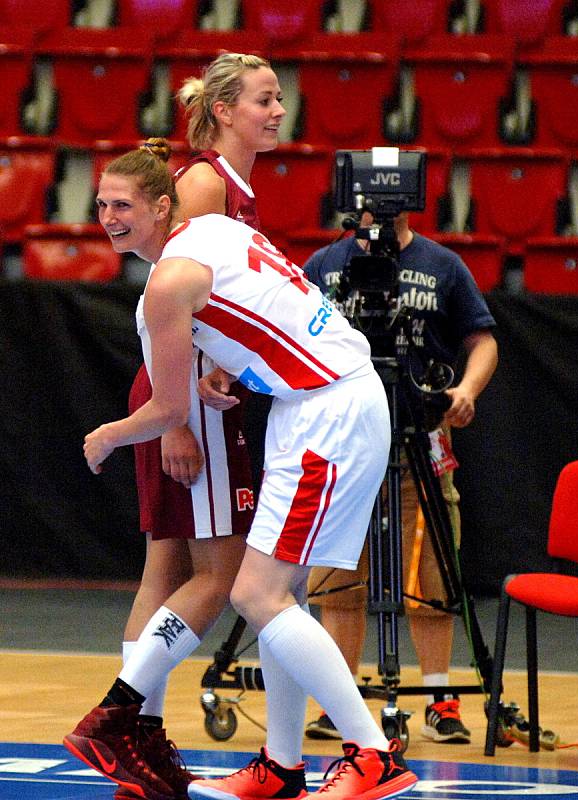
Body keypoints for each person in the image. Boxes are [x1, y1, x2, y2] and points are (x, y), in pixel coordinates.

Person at [66, 142, 419, 800]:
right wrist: (236, 361)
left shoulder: (166, 287)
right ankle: (281, 767)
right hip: (306, 403)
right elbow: (275, 302)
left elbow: (168, 406)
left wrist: (108, 436)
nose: (109, 218)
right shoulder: (218, 227)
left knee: (255, 593)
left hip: (328, 409)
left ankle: (373, 755)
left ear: (163, 207)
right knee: (280, 596)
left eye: (124, 206)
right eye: (102, 206)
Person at [64, 53, 286, 800]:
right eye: (266, 98)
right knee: (215, 578)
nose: (280, 110)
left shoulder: (236, 184)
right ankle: (123, 719)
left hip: (186, 391)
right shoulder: (203, 182)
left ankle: (139, 747)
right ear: (223, 110)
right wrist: (180, 417)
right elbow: (170, 299)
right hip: (181, 399)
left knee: (165, 570)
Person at [302, 210, 498, 745]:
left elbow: (482, 339)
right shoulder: (326, 264)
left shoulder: (442, 265)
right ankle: (336, 701)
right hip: (344, 440)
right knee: (337, 576)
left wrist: (467, 391)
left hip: (419, 433)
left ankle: (440, 702)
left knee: (433, 573)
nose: (375, 210)